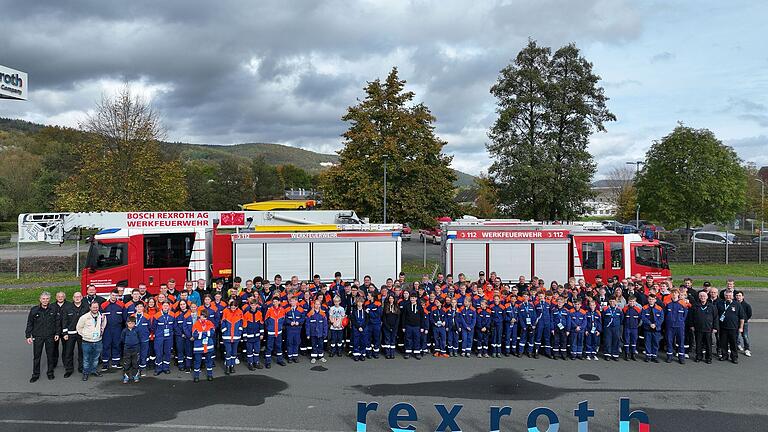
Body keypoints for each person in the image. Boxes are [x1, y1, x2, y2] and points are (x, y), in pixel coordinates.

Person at [25, 292, 61, 382]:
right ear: (40, 299)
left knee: (50, 355)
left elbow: (57, 323)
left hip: (50, 336)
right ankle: (35, 374)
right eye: (43, 299)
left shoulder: (54, 309)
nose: (45, 300)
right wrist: (28, 335)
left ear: (49, 299)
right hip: (38, 336)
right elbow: (30, 323)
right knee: (37, 356)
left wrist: (57, 333)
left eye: (47, 299)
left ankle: (50, 372)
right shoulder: (34, 310)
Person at [76, 301, 106, 381]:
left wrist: (101, 332)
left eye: (97, 307)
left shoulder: (102, 316)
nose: (95, 309)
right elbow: (79, 328)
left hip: (98, 341)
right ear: (90, 308)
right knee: (86, 358)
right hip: (87, 342)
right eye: (94, 307)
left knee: (96, 358)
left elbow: (103, 324)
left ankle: (94, 370)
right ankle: (85, 373)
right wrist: (85, 335)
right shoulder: (84, 317)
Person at [61, 291, 88, 378]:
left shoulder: (86, 307)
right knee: (68, 352)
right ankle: (69, 370)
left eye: (79, 296)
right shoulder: (67, 308)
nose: (77, 298)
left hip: (82, 334)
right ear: (73, 298)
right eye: (75, 296)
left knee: (82, 351)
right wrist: (65, 333)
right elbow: (64, 321)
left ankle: (81, 367)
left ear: (81, 298)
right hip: (70, 334)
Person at [688, 290, 718, 364]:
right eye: (701, 296)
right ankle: (698, 356)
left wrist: (715, 327)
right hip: (698, 328)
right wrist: (691, 325)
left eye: (704, 296)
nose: (702, 297)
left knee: (708, 344)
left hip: (708, 329)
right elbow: (690, 317)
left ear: (707, 297)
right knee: (698, 343)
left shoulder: (712, 306)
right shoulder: (695, 306)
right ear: (699, 297)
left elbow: (716, 318)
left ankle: (709, 358)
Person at [716, 290, 745, 364]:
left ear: (732, 296)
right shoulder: (720, 303)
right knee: (723, 343)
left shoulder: (737, 304)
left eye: (729, 295)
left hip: (733, 328)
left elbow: (741, 317)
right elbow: (716, 315)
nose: (728, 297)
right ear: (724, 296)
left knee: (733, 344)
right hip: (722, 328)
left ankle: (734, 357)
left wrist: (741, 327)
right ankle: (724, 355)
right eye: (726, 295)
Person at [100, 289, 125, 371]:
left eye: (116, 295)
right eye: (113, 295)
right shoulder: (104, 305)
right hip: (107, 328)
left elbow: (124, 317)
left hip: (118, 328)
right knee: (106, 345)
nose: (114, 297)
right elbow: (100, 318)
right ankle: (105, 364)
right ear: (110, 295)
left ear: (118, 296)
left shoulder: (121, 305)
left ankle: (116, 362)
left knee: (116, 344)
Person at [664, 288, 688, 364]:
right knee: (669, 341)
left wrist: (680, 321)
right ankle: (669, 356)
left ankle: (681, 357)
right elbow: (665, 314)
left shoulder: (683, 303)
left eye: (675, 293)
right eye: (673, 293)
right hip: (670, 326)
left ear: (678, 294)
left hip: (679, 326)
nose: (674, 294)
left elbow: (685, 315)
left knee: (681, 342)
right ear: (671, 294)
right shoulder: (667, 303)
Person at [191, 308, 216, 382]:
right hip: (198, 347)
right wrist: (206, 333)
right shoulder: (196, 323)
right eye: (202, 316)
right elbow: (194, 334)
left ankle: (210, 375)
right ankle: (196, 376)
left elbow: (212, 333)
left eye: (205, 316)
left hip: (208, 346)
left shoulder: (210, 323)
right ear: (200, 316)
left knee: (209, 361)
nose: (203, 318)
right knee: (197, 361)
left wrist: (201, 333)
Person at [220, 300, 244, 374]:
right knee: (228, 351)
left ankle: (232, 366)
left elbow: (241, 323)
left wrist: (239, 332)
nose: (233, 309)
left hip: (236, 336)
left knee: (234, 352)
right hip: (227, 336)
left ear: (236, 307)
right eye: (231, 307)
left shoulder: (240, 312)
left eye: (234, 307)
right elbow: (222, 322)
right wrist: (224, 331)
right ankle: (227, 366)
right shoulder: (226, 311)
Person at [152, 301, 175, 375]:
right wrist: (158, 334)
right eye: (164, 305)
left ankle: (166, 368)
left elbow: (174, 326)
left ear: (169, 307)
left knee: (167, 352)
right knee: (159, 353)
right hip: (159, 337)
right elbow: (154, 327)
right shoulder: (157, 315)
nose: (165, 307)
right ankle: (158, 368)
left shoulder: (172, 314)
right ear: (161, 306)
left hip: (169, 337)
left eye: (167, 306)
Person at [264, 297, 287, 368]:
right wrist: (269, 328)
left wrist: (280, 326)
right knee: (269, 347)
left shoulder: (282, 310)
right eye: (273, 302)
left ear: (279, 302)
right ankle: (268, 362)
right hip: (271, 332)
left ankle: (280, 360)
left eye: (276, 301)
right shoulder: (269, 310)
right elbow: (266, 320)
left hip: (279, 332)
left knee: (279, 346)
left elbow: (284, 319)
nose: (275, 303)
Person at [641, 294, 664, 363]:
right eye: (650, 299)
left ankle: (654, 356)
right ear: (648, 300)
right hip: (647, 328)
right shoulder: (644, 308)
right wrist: (650, 324)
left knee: (655, 343)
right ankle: (648, 356)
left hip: (656, 329)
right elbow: (643, 317)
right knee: (647, 342)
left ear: (655, 300)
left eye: (652, 299)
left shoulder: (659, 308)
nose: (651, 301)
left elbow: (661, 318)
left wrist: (655, 324)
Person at [242, 299, 264, 370]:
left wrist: (262, 334)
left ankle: (256, 362)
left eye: (255, 305)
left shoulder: (259, 313)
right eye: (252, 305)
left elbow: (261, 324)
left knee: (257, 350)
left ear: (257, 305)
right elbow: (244, 326)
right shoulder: (246, 314)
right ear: (250, 305)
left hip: (257, 336)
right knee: (249, 351)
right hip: (249, 336)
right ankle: (250, 363)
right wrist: (245, 336)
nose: (253, 306)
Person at [307, 299, 329, 363]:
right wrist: (308, 334)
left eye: (318, 304)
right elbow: (307, 324)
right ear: (313, 305)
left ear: (320, 305)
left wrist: (325, 333)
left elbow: (325, 324)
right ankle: (314, 357)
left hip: (321, 333)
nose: (317, 305)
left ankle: (321, 356)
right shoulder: (310, 313)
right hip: (313, 333)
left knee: (320, 345)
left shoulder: (323, 313)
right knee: (313, 345)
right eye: (316, 304)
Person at [285, 297, 305, 363]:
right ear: (289, 302)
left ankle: (295, 356)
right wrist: (289, 322)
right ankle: (290, 357)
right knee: (289, 342)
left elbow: (303, 318)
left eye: (294, 301)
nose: (292, 303)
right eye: (291, 301)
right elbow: (284, 318)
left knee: (296, 342)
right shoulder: (287, 309)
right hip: (289, 328)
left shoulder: (301, 309)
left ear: (296, 301)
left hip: (297, 328)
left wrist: (298, 322)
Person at [120, 316, 140, 383]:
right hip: (127, 349)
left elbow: (139, 337)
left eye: (132, 323)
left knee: (135, 363)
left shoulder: (137, 330)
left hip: (135, 348)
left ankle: (135, 375)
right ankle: (126, 376)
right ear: (126, 323)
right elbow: (122, 339)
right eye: (129, 323)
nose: (131, 324)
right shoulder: (124, 331)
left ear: (135, 324)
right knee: (126, 363)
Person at [622, 296, 642, 361]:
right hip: (627, 328)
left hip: (634, 328)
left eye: (633, 301)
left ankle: (633, 354)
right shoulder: (625, 309)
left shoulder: (638, 309)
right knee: (626, 341)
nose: (632, 303)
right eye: (630, 301)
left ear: (635, 302)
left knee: (634, 341)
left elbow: (640, 319)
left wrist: (637, 325)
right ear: (628, 301)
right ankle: (626, 354)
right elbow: (622, 318)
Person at [516, 293, 536, 357]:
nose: (525, 298)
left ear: (528, 297)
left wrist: (533, 324)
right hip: (524, 326)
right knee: (522, 339)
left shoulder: (531, 305)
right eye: (524, 296)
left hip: (531, 325)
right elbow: (520, 317)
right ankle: (520, 352)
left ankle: (529, 352)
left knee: (531, 339)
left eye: (526, 296)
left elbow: (534, 316)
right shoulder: (520, 306)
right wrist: (523, 326)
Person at [351, 297, 370, 361]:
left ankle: (362, 354)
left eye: (361, 302)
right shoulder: (354, 311)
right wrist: (358, 327)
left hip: (364, 328)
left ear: (363, 303)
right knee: (356, 341)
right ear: (356, 303)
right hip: (356, 328)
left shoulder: (365, 311)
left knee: (363, 341)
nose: (359, 303)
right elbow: (353, 320)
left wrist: (362, 327)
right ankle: (356, 354)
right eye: (358, 302)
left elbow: (367, 320)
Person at [735, 291, 752, 357]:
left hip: (744, 323)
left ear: (743, 297)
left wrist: (745, 320)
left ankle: (747, 349)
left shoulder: (747, 305)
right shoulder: (734, 304)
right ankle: (737, 345)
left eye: (739, 295)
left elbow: (749, 314)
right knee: (736, 336)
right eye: (737, 295)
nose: (738, 297)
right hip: (735, 323)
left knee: (745, 336)